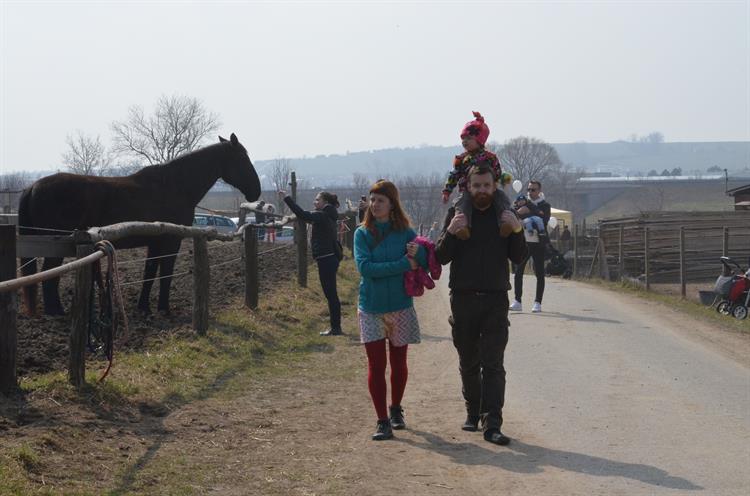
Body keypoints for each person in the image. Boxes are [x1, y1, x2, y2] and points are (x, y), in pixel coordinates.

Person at [435, 163, 527, 446]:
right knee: (468, 361)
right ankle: (472, 412)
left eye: (487, 186)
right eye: (477, 186)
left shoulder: (504, 214)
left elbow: (520, 257)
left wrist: (516, 230)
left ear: (494, 186)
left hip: (496, 299)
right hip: (463, 299)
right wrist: (451, 232)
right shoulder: (458, 213)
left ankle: (492, 423)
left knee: (494, 364)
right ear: (469, 187)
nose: (482, 191)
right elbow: (440, 257)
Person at [354, 179, 427, 441]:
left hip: (400, 306)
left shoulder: (407, 233)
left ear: (392, 203)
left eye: (380, 200)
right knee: (376, 365)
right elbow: (365, 269)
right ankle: (382, 420)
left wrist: (417, 257)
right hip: (371, 307)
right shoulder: (361, 234)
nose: (374, 205)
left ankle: (396, 409)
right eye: (372, 200)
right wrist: (402, 264)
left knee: (399, 363)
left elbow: (422, 262)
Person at [279, 190, 343, 336]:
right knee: (331, 294)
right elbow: (307, 215)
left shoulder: (322, 215)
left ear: (325, 202)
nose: (315, 202)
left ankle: (336, 328)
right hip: (329, 258)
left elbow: (303, 214)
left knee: (331, 294)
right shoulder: (328, 214)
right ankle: (336, 326)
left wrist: (286, 199)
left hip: (326, 259)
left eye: (317, 200)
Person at [442, 111, 511, 239]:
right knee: (462, 203)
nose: (464, 142)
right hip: (467, 190)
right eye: (463, 139)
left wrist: (500, 179)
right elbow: (454, 175)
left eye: (468, 138)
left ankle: (504, 223)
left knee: (502, 199)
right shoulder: (461, 159)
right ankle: (463, 227)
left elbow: (497, 170)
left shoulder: (490, 157)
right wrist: (447, 190)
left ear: (479, 140)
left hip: (490, 189)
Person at [510, 180, 551, 313]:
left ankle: (538, 302)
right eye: (529, 189)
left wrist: (526, 213)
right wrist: (523, 213)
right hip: (524, 242)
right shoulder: (521, 202)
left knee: (539, 272)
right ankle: (517, 300)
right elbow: (513, 216)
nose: (530, 192)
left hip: (538, 243)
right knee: (518, 271)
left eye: (533, 190)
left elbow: (543, 220)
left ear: (539, 191)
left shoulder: (545, 205)